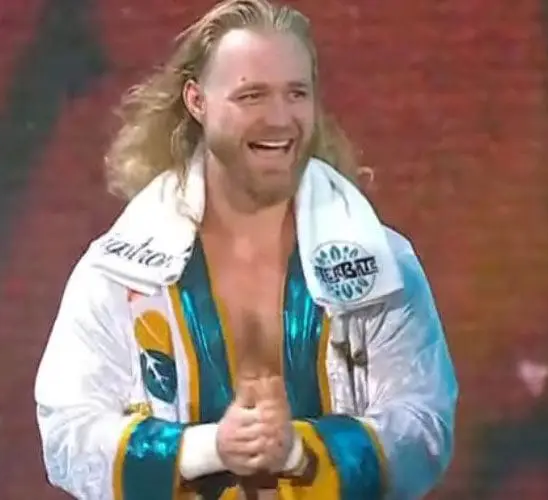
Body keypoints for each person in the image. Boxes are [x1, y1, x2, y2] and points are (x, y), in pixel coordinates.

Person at [33, 0, 458, 498]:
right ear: (197, 101)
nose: (279, 118)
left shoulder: (380, 265)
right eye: (251, 95)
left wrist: (300, 453)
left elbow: (424, 423)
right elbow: (68, 433)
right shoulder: (120, 272)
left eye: (296, 93)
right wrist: (208, 449)